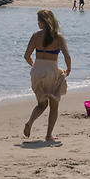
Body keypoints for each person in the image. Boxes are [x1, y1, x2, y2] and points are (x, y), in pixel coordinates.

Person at [23, 9, 72, 141]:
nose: (37, 23)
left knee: (41, 104)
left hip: (37, 71)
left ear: (43, 22)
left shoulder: (35, 36)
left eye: (38, 20)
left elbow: (26, 56)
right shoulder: (58, 37)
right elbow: (67, 55)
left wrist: (35, 66)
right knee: (54, 105)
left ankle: (30, 122)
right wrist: (68, 69)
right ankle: (49, 135)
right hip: (51, 70)